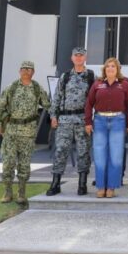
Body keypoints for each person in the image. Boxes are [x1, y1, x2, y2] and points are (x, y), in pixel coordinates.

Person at [0, 61, 50, 204]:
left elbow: (48, 105)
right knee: (8, 163)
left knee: (24, 165)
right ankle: (7, 192)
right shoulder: (11, 88)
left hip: (28, 132)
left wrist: (55, 117)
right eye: (23, 69)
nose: (26, 71)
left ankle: (22, 192)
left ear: (33, 72)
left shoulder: (37, 89)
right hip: (10, 132)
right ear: (19, 71)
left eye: (29, 69)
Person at [46, 47, 95, 197]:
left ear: (85, 58)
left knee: (83, 152)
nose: (79, 58)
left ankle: (82, 183)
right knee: (60, 150)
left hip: (82, 119)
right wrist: (53, 116)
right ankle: (55, 183)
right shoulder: (65, 76)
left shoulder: (91, 76)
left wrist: (91, 120)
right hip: (65, 120)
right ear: (72, 58)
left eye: (81, 56)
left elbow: (94, 100)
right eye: (76, 56)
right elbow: (57, 97)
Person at [85, 57, 128, 198]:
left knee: (116, 156)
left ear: (117, 69)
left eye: (113, 66)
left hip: (118, 121)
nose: (110, 68)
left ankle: (111, 187)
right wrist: (88, 122)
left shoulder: (124, 84)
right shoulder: (97, 84)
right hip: (99, 121)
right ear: (104, 69)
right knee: (100, 156)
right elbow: (89, 103)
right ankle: (101, 186)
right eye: (108, 66)